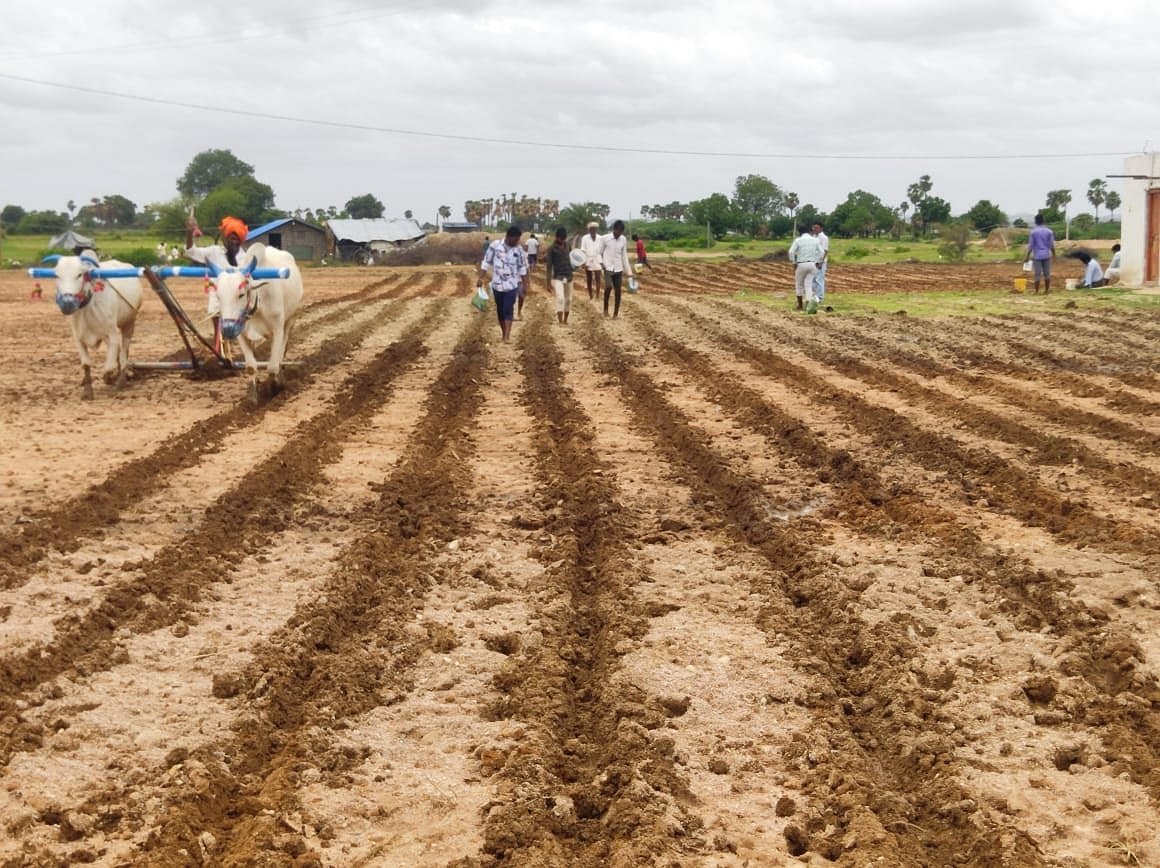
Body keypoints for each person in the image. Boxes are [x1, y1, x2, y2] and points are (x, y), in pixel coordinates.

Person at [185, 212, 255, 348]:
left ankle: (243, 344)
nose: (233, 241)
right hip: (219, 295)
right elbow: (191, 252)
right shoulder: (214, 252)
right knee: (216, 317)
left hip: (237, 298)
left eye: (236, 239)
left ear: (241, 240)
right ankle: (219, 347)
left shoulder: (245, 258)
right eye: (230, 238)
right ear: (225, 239)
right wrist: (189, 233)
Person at [480, 225, 528, 343]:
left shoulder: (519, 250)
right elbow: (486, 262)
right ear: (508, 237)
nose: (517, 242)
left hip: (512, 284)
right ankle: (503, 333)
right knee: (500, 310)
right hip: (497, 284)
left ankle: (507, 336)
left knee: (508, 308)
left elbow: (522, 268)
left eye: (518, 240)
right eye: (515, 239)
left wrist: (524, 285)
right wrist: (481, 278)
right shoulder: (495, 246)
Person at [600, 219, 633, 318]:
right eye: (617, 231)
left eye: (621, 232)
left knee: (618, 291)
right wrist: (602, 265)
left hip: (618, 269)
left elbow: (624, 256)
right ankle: (605, 310)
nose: (619, 234)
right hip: (608, 268)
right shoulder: (605, 238)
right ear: (614, 229)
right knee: (608, 287)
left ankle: (615, 314)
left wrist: (629, 272)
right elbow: (599, 252)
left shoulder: (623, 239)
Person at [787, 227, 824, 313]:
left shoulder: (798, 240)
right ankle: (808, 305)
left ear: (800, 233)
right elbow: (822, 252)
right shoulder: (815, 240)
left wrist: (794, 262)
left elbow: (791, 252)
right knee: (808, 284)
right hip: (812, 264)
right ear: (810, 232)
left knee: (799, 284)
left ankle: (800, 305)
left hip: (801, 264)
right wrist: (819, 261)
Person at [545, 225, 574, 325]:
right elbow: (548, 266)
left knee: (569, 300)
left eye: (563, 238)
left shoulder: (568, 245)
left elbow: (572, 258)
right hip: (558, 277)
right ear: (556, 237)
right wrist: (548, 283)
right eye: (560, 238)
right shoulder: (552, 248)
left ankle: (566, 320)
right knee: (560, 298)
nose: (562, 240)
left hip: (569, 276)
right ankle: (560, 321)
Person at [1024, 213, 1056, 294]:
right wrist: (1054, 255)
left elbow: (1031, 246)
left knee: (1037, 274)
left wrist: (1027, 256)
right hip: (1046, 255)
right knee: (1047, 274)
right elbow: (1051, 245)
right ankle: (1046, 290)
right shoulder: (1049, 232)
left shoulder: (1033, 232)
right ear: (1043, 221)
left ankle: (1036, 291)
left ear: (1035, 222)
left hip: (1037, 256)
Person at [580, 222, 604, 300]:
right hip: (588, 259)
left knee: (598, 278)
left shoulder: (600, 238)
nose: (593, 230)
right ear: (589, 230)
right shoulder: (585, 238)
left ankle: (597, 295)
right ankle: (590, 295)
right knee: (589, 279)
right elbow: (583, 250)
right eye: (591, 229)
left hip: (597, 258)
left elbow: (602, 250)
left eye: (594, 229)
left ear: (596, 229)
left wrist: (602, 261)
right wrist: (583, 262)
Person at [812, 222, 830, 304]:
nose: (815, 229)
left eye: (816, 228)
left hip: (820, 262)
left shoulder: (824, 238)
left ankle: (820, 298)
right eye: (814, 228)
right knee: (813, 280)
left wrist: (821, 262)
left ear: (821, 228)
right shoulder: (814, 237)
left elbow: (825, 251)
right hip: (813, 261)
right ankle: (814, 297)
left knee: (819, 280)